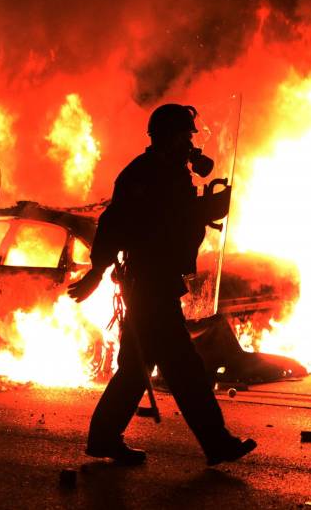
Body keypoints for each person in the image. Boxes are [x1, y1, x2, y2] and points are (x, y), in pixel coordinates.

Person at [68, 103, 256, 466]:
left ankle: (104, 437)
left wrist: (204, 207)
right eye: (186, 135)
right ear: (169, 136)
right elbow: (119, 224)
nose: (190, 142)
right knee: (183, 368)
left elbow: (174, 218)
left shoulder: (170, 172)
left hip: (159, 283)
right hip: (149, 287)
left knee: (138, 368)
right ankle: (216, 443)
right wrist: (97, 270)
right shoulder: (145, 174)